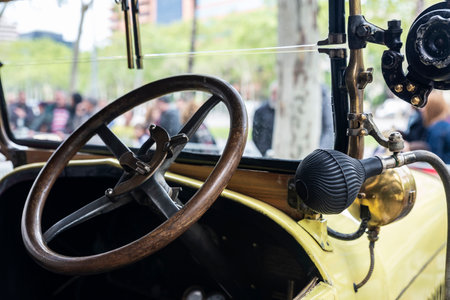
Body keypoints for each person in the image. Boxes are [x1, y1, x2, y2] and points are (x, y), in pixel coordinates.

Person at [422, 91, 450, 163]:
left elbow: (435, 160)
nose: (422, 110)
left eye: (425, 107)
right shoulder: (443, 125)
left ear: (431, 109)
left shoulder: (436, 129)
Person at [252, 83, 276, 156]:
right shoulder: (260, 111)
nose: (275, 96)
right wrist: (263, 150)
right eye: (273, 93)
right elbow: (255, 134)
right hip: (264, 153)